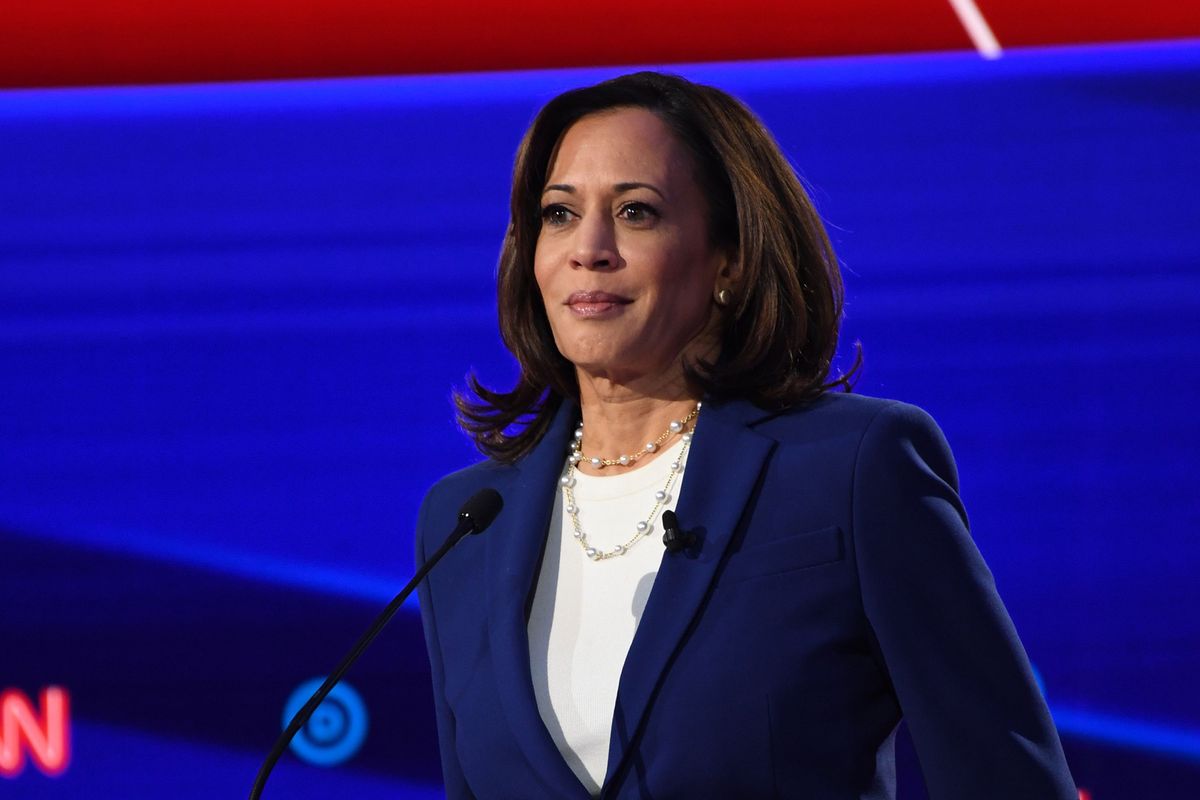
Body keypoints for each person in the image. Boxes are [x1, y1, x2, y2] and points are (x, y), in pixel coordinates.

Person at [415, 71, 1076, 799]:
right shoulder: (467, 523)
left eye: (636, 212)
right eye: (560, 214)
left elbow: (1002, 775)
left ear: (728, 261)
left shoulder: (852, 469)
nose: (589, 249)